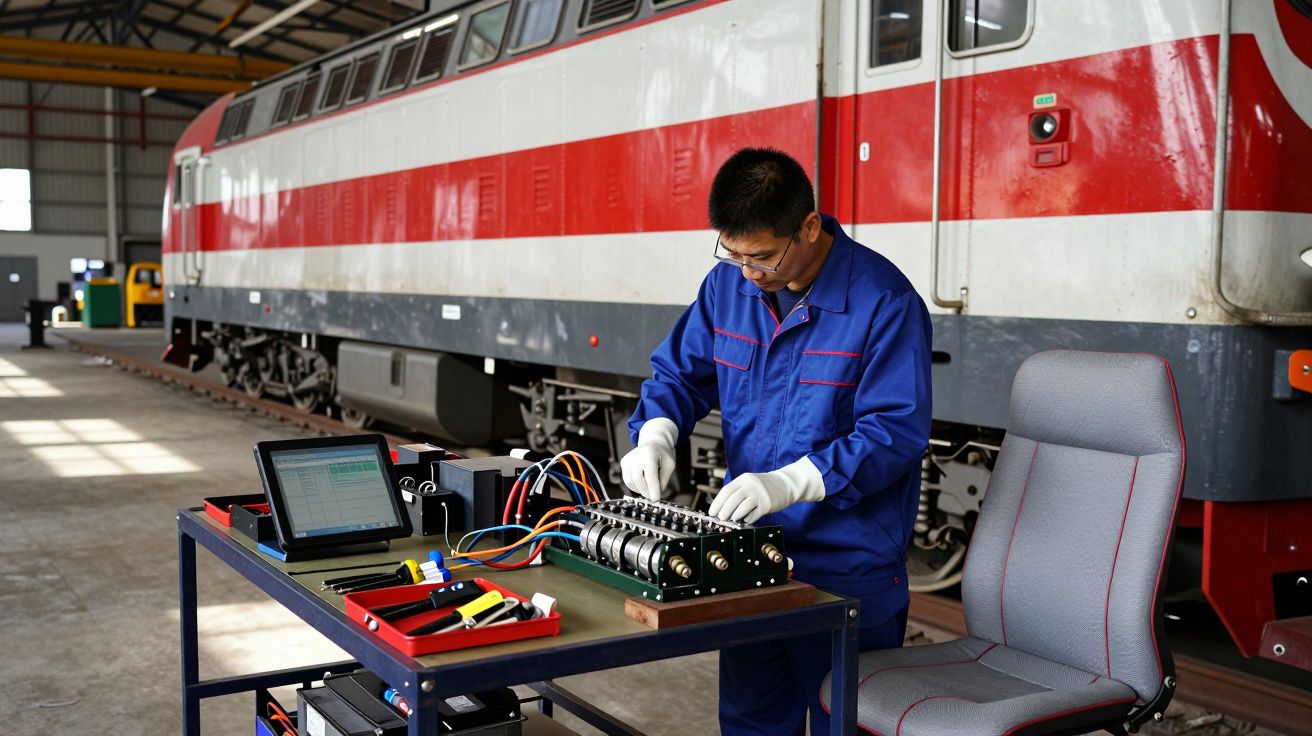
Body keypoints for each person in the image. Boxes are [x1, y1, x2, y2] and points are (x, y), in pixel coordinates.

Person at [620, 147, 933, 735]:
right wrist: (656, 433)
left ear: (810, 226)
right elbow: (680, 375)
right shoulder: (727, 288)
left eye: (761, 256)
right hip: (752, 561)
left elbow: (895, 431)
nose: (747, 272)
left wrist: (794, 482)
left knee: (846, 722)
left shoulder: (884, 301)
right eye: (731, 253)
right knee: (752, 723)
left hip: (847, 569)